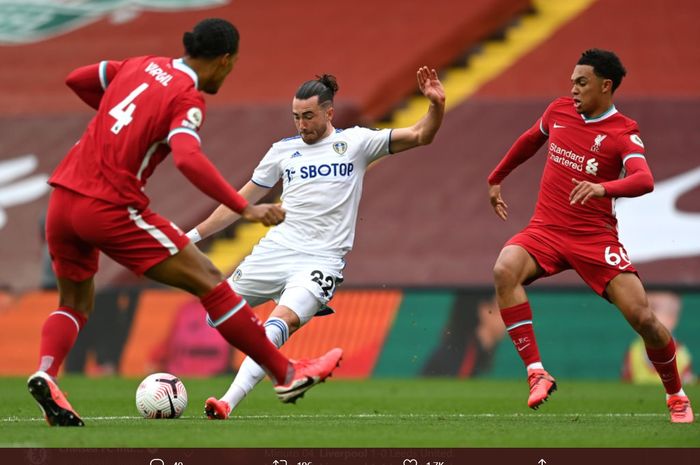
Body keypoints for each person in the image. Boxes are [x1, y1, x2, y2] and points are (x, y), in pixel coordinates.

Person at [28, 18, 342, 427]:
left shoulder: (138, 64)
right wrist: (245, 209)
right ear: (224, 60)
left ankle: (45, 374)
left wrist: (120, 123)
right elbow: (187, 158)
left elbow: (78, 79)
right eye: (231, 67)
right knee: (210, 278)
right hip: (109, 206)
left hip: (62, 199)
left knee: (73, 304)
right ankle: (286, 374)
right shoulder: (186, 96)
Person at [187, 67, 446, 419]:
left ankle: (227, 402)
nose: (302, 125)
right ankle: (284, 367)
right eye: (296, 117)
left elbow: (420, 135)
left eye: (308, 116)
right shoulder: (282, 151)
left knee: (282, 322)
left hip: (321, 260)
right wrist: (192, 236)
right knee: (215, 316)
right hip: (275, 250)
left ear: (329, 113)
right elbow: (239, 203)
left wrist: (436, 107)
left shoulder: (356, 143)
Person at [487, 49, 693, 423]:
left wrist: (604, 189)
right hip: (546, 230)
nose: (573, 89)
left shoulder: (623, 132)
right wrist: (497, 177)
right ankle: (536, 371)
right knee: (504, 270)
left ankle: (676, 395)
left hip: (594, 240)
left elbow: (644, 179)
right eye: (572, 82)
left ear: (605, 85)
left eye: (581, 83)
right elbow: (530, 140)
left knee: (644, 319)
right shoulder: (559, 111)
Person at [623, 291, 695, 385]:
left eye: (653, 308)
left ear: (672, 317)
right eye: (640, 309)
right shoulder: (633, 351)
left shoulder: (681, 354)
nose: (646, 315)